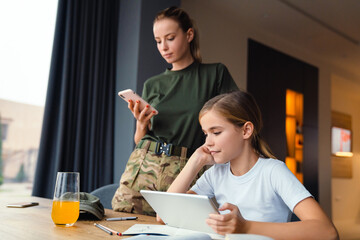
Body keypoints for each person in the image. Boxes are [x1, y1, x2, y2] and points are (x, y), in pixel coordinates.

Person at [112, 6, 238, 216]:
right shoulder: (152, 84)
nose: (163, 47)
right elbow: (140, 141)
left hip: (186, 168)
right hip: (144, 162)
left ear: (189, 35)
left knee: (181, 228)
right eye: (158, 41)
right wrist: (141, 124)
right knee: (124, 224)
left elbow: (234, 119)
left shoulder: (214, 74)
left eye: (170, 38)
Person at [166, 91, 339, 239]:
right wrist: (194, 162)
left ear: (246, 130)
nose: (208, 142)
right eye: (205, 134)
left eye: (216, 132)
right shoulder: (215, 174)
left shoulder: (273, 171)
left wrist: (245, 227)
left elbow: (327, 232)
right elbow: (166, 214)